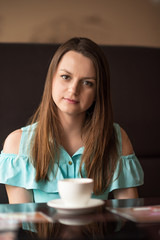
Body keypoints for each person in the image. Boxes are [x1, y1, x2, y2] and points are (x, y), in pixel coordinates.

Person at [0, 37, 144, 204]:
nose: (73, 90)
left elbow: (129, 216)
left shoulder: (117, 139)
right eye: (66, 77)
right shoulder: (17, 145)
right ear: (51, 79)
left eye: (87, 83)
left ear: (98, 91)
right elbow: (22, 224)